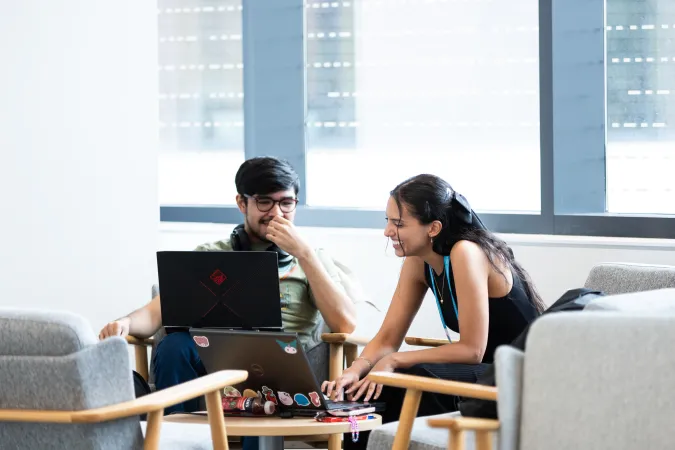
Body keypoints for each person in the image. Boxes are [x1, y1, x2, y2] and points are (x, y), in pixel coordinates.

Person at [99, 157, 359, 450]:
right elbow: (156, 313)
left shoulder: (312, 258)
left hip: (278, 362)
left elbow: (345, 323)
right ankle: (179, 443)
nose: (276, 213)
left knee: (262, 360)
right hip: (212, 358)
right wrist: (126, 323)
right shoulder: (210, 254)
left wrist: (305, 255)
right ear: (241, 202)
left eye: (286, 203)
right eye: (264, 202)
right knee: (174, 345)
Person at [322, 174, 544, 450]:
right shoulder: (419, 262)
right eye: (388, 221)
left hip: (519, 375)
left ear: (433, 228)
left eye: (399, 223)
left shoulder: (467, 253)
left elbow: (472, 350)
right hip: (482, 372)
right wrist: (355, 371)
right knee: (363, 389)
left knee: (412, 375)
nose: (387, 232)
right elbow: (388, 338)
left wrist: (395, 361)